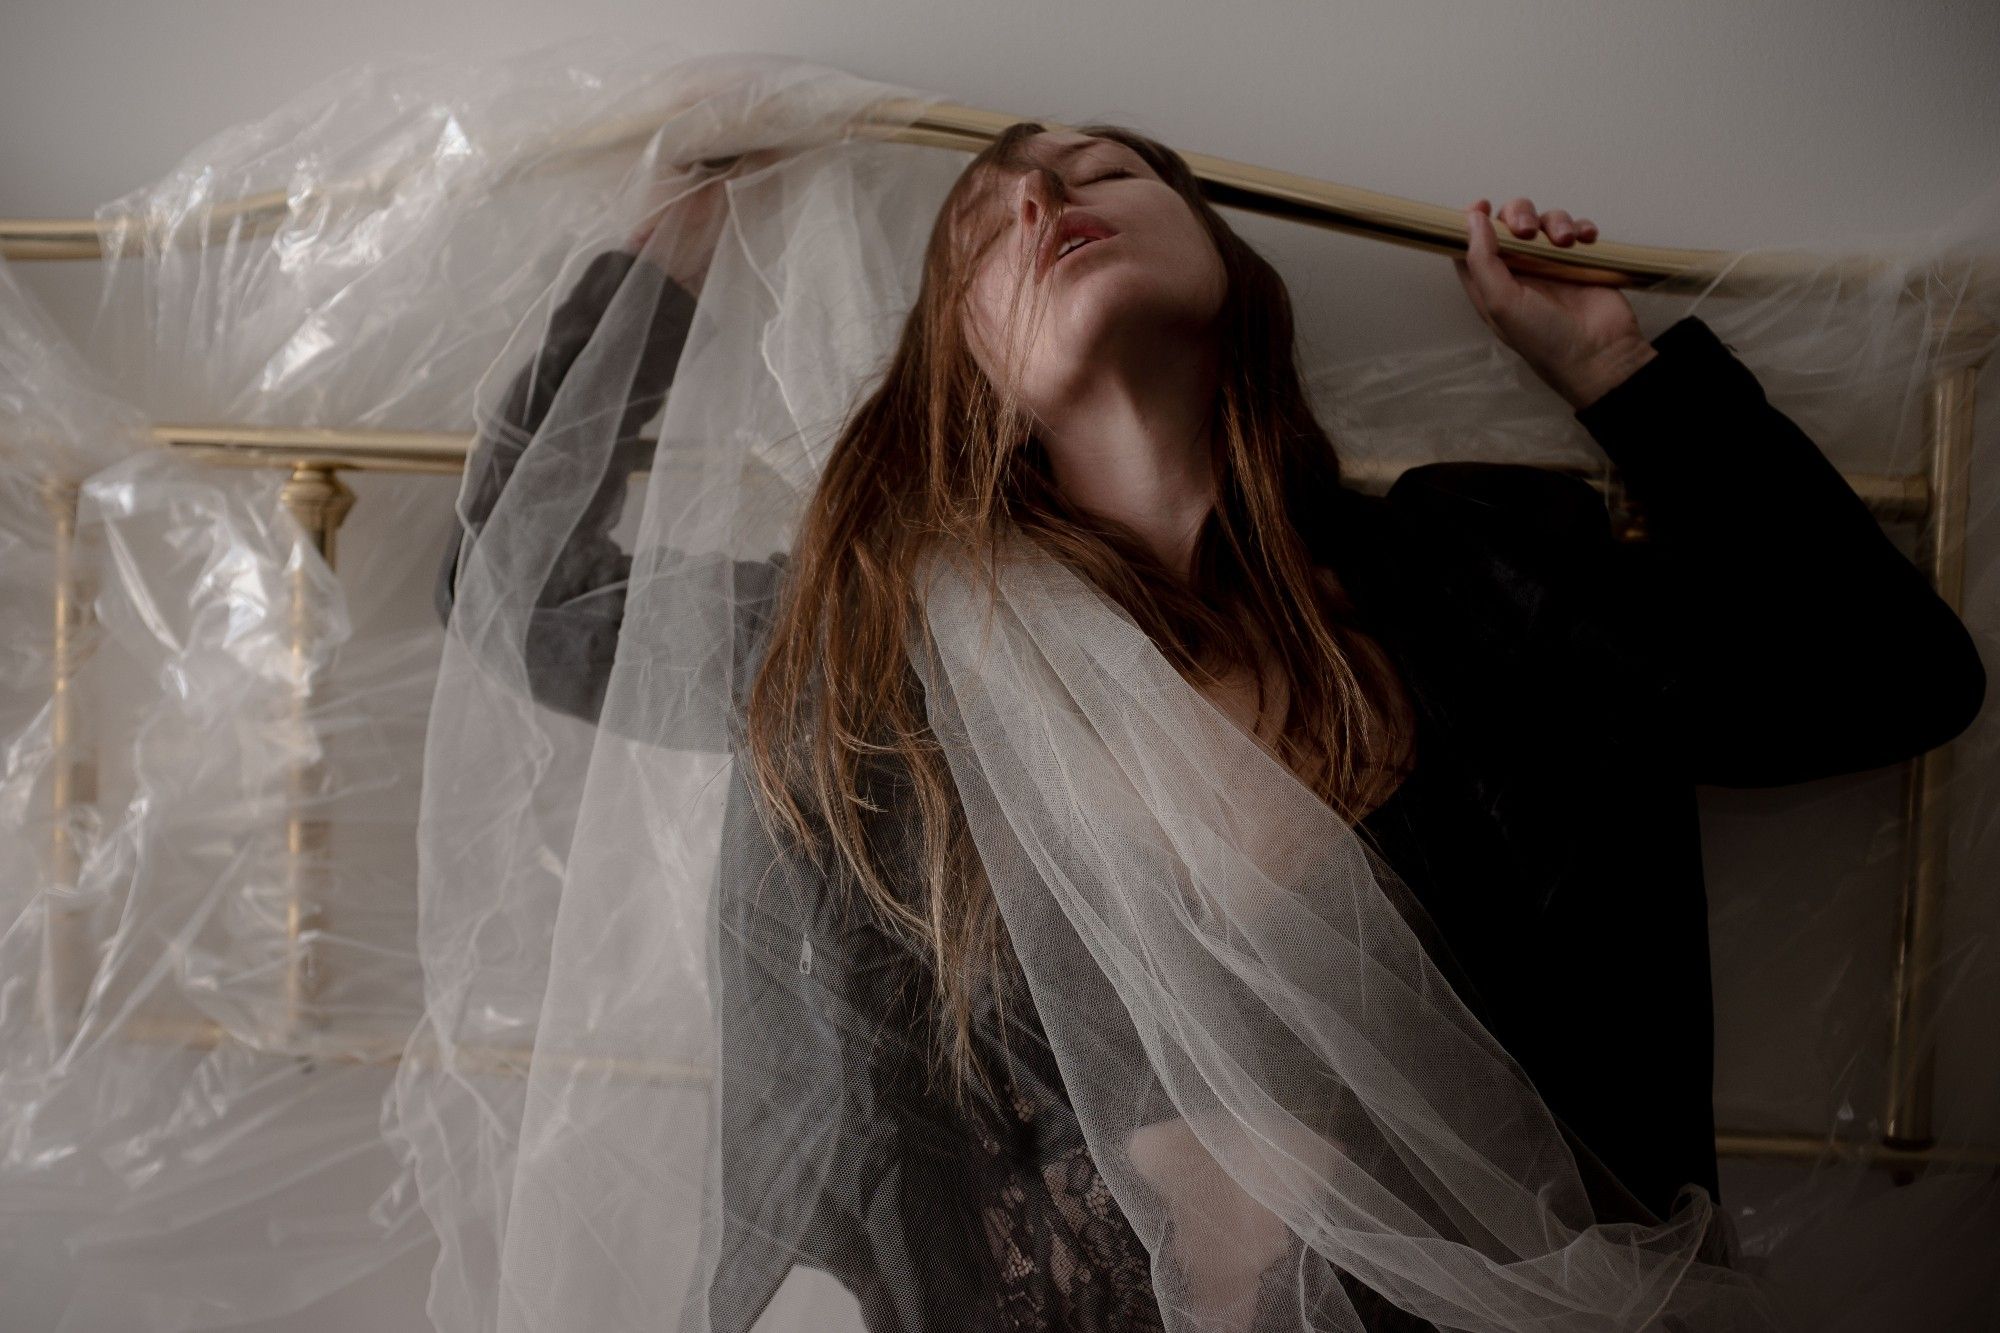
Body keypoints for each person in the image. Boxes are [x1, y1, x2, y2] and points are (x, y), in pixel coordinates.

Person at [433, 122, 1987, 1331]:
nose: (1045, 193)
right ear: (952, 357)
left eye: (1102, 170)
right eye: (988, 217)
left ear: (1233, 271)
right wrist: (673, 246)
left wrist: (1613, 372)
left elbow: (1891, 676)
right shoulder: (876, 642)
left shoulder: (1477, 572)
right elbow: (518, 585)